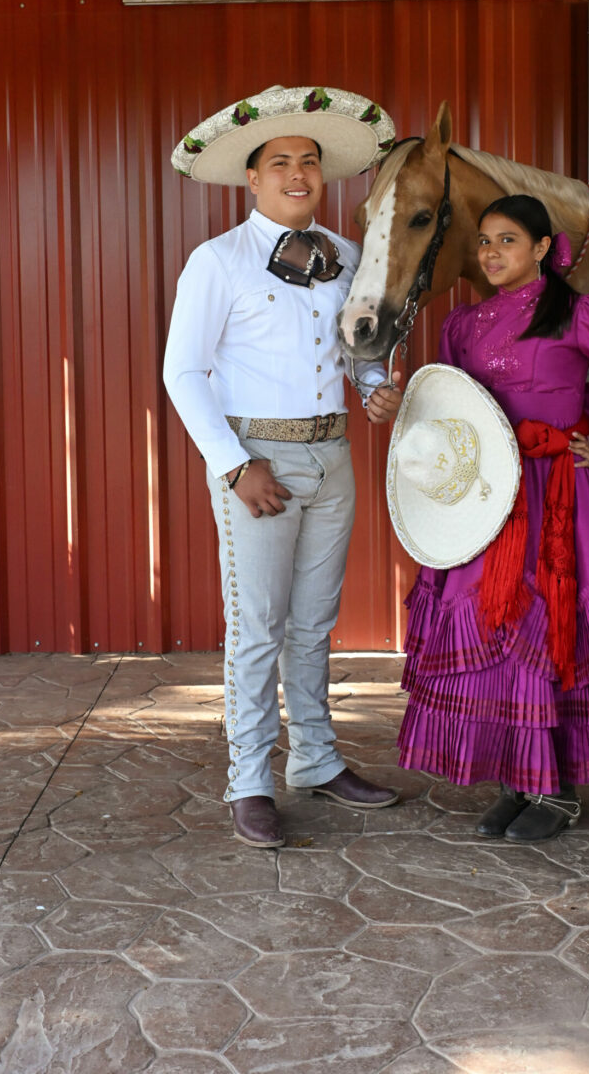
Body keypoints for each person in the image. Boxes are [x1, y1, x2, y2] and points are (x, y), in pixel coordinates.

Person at [397, 193, 589, 841]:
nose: (493, 253)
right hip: (487, 499)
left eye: (507, 240)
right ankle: (520, 779)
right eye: (485, 242)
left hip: (561, 495)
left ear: (540, 249)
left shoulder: (578, 313)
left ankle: (558, 793)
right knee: (495, 629)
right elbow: (453, 412)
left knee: (554, 627)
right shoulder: (463, 326)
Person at [164, 84, 404, 848]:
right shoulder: (219, 262)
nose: (298, 174)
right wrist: (235, 466)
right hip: (257, 463)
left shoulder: (346, 258)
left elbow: (360, 350)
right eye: (281, 163)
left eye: (309, 161)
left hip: (333, 457)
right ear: (252, 177)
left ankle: (317, 760)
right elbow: (183, 372)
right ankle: (250, 779)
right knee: (258, 626)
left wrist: (374, 390)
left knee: (314, 622)